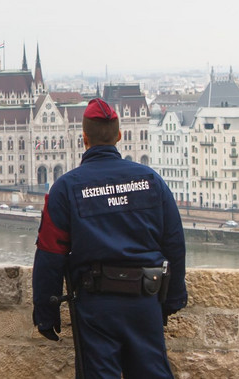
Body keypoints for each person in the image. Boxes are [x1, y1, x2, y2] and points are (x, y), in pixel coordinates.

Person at [32, 98, 187, 378]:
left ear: (84, 138)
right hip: (145, 299)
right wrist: (172, 298)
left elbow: (49, 254)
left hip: (96, 306)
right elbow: (174, 242)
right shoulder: (151, 180)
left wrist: (46, 310)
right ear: (119, 136)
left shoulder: (66, 188)